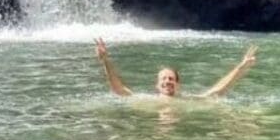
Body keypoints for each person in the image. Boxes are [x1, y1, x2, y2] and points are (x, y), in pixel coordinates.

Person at [94, 37, 258, 99]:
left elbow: (218, 90)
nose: (167, 81)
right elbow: (119, 90)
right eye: (164, 79)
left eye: (171, 79)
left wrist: (241, 67)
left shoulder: (188, 100)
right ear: (157, 85)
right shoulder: (145, 100)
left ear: (178, 85)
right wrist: (105, 61)